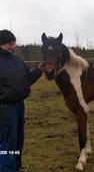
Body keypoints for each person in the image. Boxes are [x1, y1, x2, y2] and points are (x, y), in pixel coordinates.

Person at [0, 29, 45, 172]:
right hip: (5, 107)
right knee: (7, 142)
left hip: (19, 106)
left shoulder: (17, 60)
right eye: (9, 44)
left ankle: (16, 166)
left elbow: (26, 80)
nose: (13, 46)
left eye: (14, 43)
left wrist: (38, 71)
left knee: (18, 139)